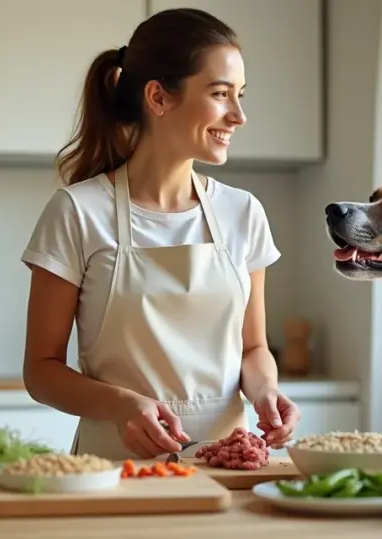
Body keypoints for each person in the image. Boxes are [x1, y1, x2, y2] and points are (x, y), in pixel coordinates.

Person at [20, 7, 300, 461]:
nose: (238, 116)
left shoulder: (242, 212)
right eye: (221, 94)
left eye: (240, 95)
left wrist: (266, 390)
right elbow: (41, 370)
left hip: (226, 465)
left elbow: (252, 347)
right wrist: (121, 405)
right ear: (158, 97)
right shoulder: (77, 212)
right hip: (112, 469)